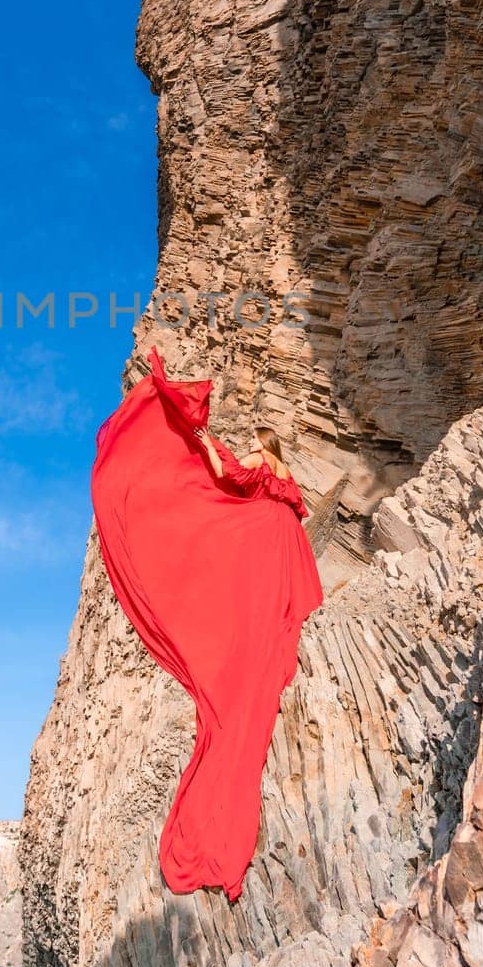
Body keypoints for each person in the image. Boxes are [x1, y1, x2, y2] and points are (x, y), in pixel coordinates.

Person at [90, 345, 323, 903]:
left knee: (247, 610)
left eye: (253, 441)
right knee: (278, 614)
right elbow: (292, 505)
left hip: (266, 536)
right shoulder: (286, 472)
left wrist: (200, 444)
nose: (249, 446)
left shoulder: (263, 462)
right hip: (286, 537)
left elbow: (229, 473)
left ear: (265, 444)